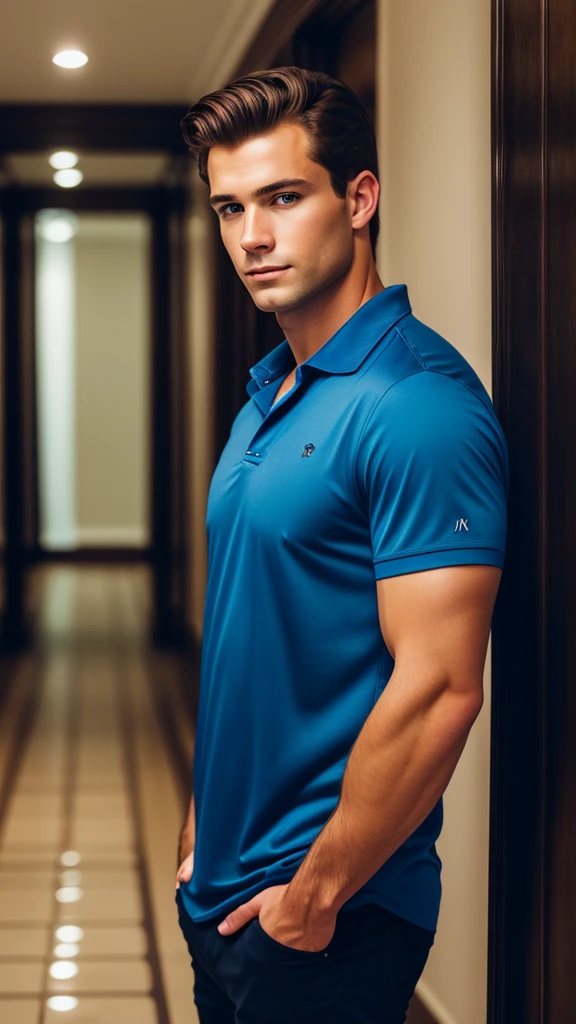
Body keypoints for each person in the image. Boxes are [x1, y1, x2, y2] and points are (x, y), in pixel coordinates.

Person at [174, 66, 509, 1023]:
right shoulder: (273, 390)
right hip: (227, 889)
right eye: (230, 207)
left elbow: (442, 686)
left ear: (359, 197)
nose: (254, 237)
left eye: (283, 197)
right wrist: (208, 821)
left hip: (332, 914)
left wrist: (315, 896)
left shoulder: (416, 407)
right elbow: (257, 626)